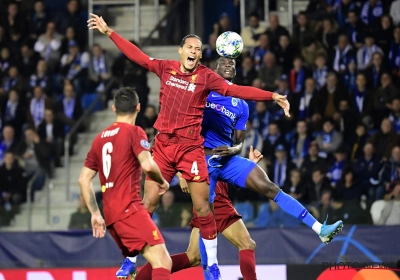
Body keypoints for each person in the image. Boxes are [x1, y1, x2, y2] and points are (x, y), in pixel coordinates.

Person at [88, 13, 290, 280]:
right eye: (190, 47)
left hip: (190, 150)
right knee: (147, 203)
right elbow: (138, 56)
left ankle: (214, 267)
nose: (194, 51)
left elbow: (238, 91)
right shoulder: (166, 68)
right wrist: (109, 32)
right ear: (181, 51)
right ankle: (130, 260)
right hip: (162, 147)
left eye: (198, 49)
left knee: (203, 208)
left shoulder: (206, 77)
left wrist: (272, 95)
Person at [132, 57, 343, 280]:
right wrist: (183, 171)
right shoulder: (202, 93)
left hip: (227, 162)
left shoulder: (241, 105)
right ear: (214, 69)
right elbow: (176, 124)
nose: (229, 66)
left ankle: (319, 228)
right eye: (224, 63)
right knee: (207, 228)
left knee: (267, 186)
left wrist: (237, 151)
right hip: (200, 164)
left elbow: (239, 142)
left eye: (232, 64)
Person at [78, 88, 172, 280]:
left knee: (151, 262)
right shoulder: (134, 132)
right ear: (138, 107)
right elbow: (147, 165)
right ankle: (130, 264)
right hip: (129, 210)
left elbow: (83, 179)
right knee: (163, 261)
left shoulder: (99, 139)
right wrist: (162, 181)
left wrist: (95, 213)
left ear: (113, 108)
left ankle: (130, 265)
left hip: (111, 216)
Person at [135, 147, 263, 280]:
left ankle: (144, 275)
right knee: (246, 244)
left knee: (193, 256)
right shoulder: (206, 130)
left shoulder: (220, 140)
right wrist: (180, 174)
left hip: (207, 195)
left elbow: (224, 171)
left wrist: (248, 165)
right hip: (214, 195)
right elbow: (178, 146)